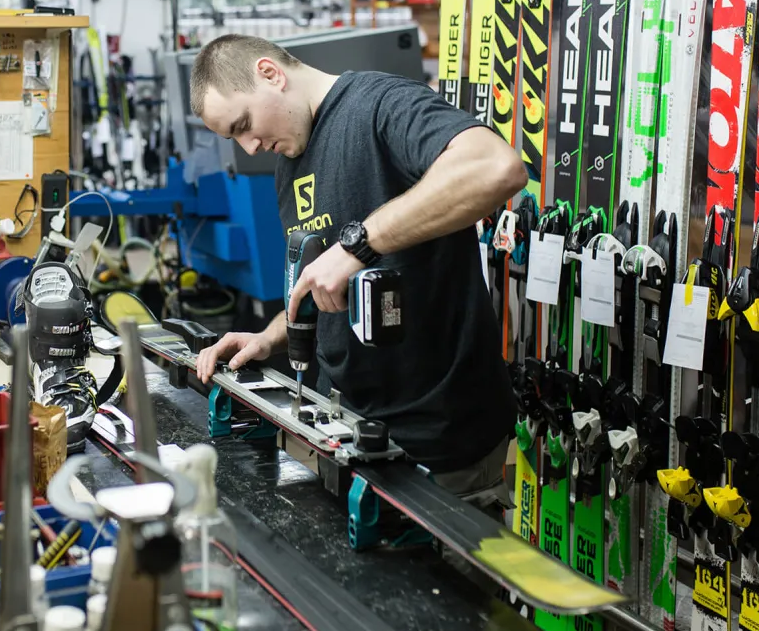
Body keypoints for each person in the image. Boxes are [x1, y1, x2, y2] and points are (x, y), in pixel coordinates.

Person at [190, 34, 526, 507]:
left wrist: (361, 245)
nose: (249, 147)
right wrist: (271, 336)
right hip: (348, 434)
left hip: (440, 442)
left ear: (271, 73)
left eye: (244, 124)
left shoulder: (380, 105)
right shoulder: (288, 160)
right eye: (234, 138)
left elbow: (497, 168)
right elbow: (321, 280)